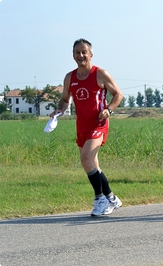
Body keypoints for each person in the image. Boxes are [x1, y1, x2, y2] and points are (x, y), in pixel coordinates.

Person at [51, 38, 123, 216]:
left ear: (91, 54)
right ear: (73, 55)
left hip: (98, 123)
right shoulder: (70, 77)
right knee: (92, 164)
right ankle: (111, 197)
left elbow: (118, 94)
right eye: (77, 52)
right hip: (81, 125)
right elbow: (65, 100)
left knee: (85, 158)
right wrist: (59, 111)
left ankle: (100, 200)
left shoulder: (100, 74)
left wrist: (109, 109)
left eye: (84, 52)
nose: (81, 55)